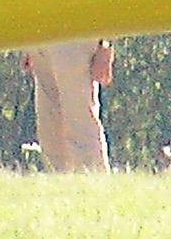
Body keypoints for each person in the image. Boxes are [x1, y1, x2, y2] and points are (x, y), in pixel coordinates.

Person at [23, 39, 112, 171]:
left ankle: (95, 186)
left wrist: (106, 44)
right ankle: (61, 188)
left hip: (74, 40)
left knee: (81, 128)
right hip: (40, 37)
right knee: (49, 133)